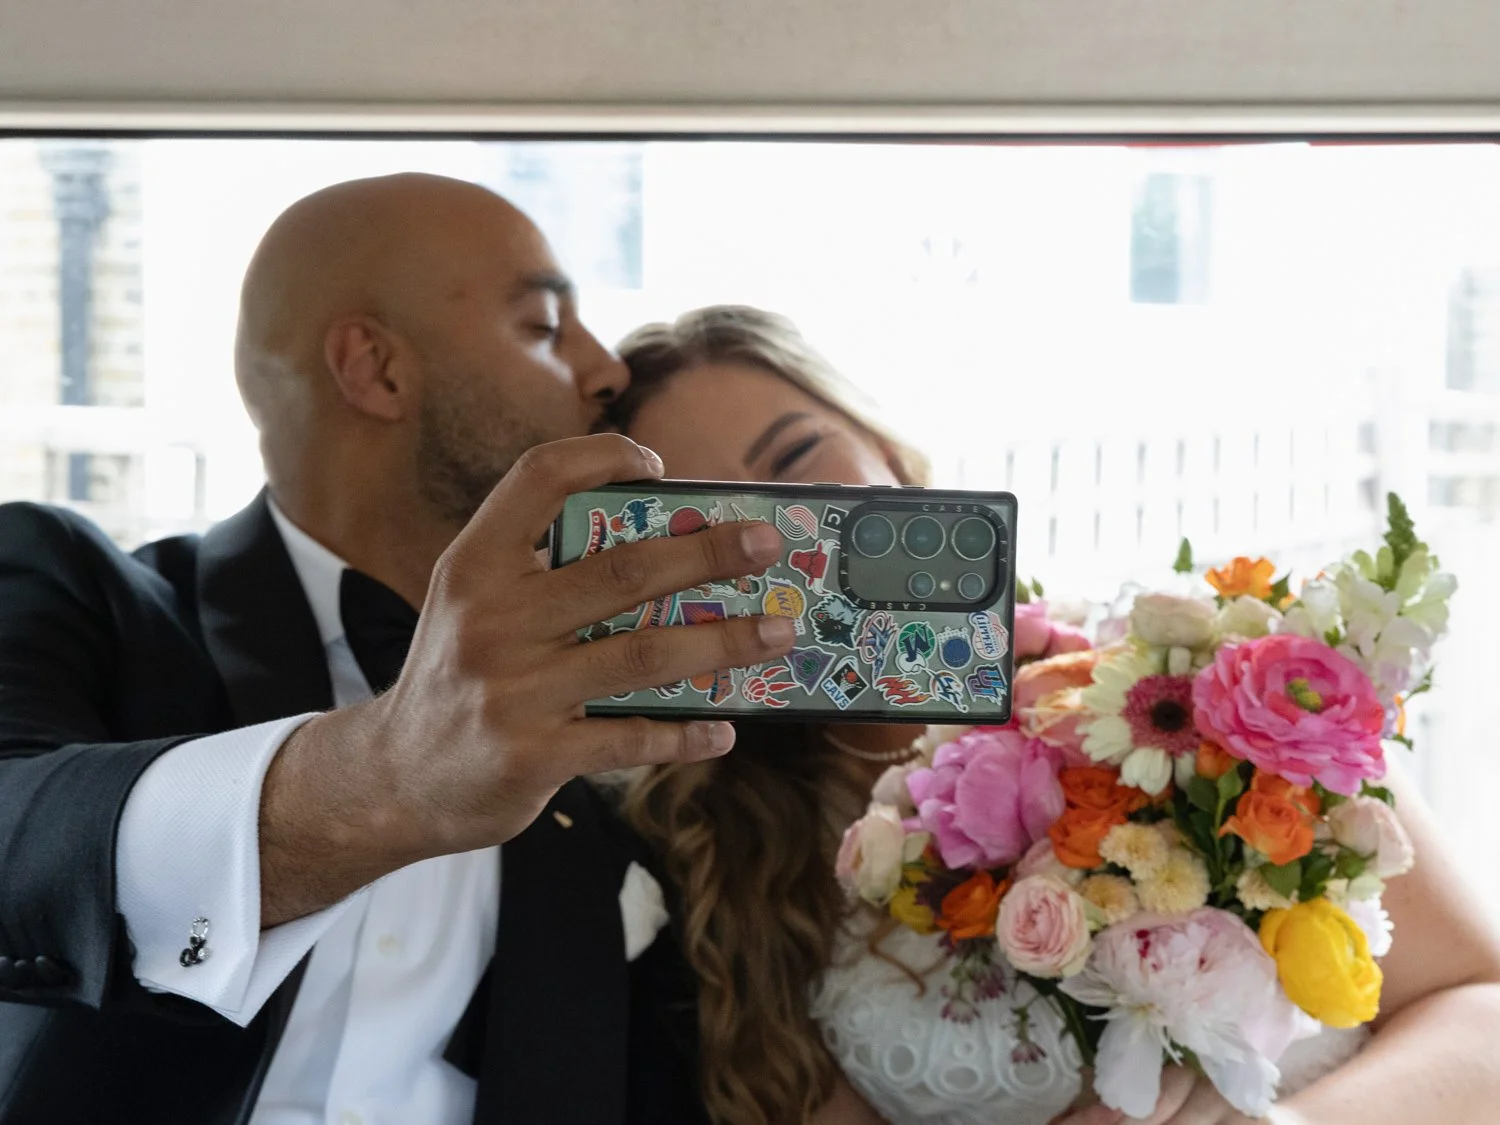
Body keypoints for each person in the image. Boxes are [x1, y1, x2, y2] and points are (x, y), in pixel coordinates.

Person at [0, 176, 799, 1124]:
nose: (607, 371)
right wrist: (387, 773)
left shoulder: (628, 731)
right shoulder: (71, 586)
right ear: (375, 369)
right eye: (545, 326)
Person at [608, 304, 1500, 1125]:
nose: (779, 535)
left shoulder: (1191, 671)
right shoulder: (733, 857)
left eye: (797, 456)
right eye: (715, 529)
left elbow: (1478, 1007)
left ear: (882, 446)